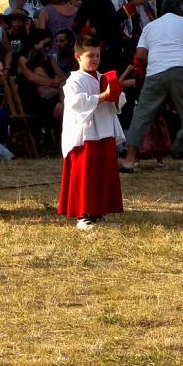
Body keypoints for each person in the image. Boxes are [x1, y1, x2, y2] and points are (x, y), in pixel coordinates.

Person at [119, 0, 183, 175]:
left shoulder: (150, 26)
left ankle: (129, 161)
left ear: (161, 11)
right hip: (181, 70)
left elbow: (141, 54)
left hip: (155, 72)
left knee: (142, 115)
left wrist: (154, 63)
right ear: (180, 10)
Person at [58, 36, 125, 231]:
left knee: (102, 173)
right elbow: (76, 102)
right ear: (78, 56)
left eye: (97, 55)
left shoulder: (102, 77)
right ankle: (83, 214)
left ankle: (99, 211)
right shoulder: (74, 80)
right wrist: (104, 96)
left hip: (104, 132)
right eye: (90, 55)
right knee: (85, 174)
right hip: (85, 135)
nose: (95, 59)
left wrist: (116, 93)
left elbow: (118, 99)